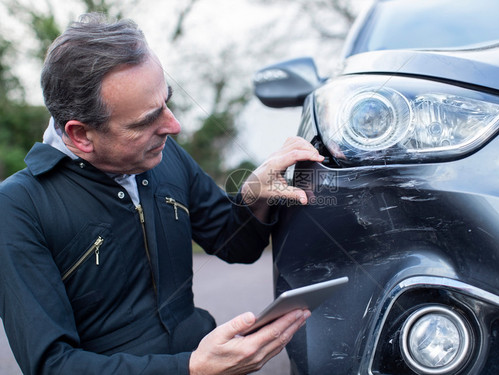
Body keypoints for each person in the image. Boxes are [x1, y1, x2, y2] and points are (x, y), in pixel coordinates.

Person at [0, 13, 324, 375]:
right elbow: (52, 366)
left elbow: (239, 246)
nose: (174, 125)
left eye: (167, 102)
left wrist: (255, 195)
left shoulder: (163, 155)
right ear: (80, 136)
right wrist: (191, 369)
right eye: (146, 121)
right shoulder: (17, 207)